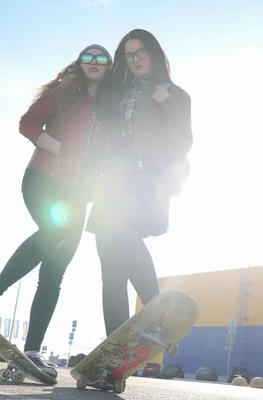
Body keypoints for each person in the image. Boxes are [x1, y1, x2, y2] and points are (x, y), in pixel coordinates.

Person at [0, 44, 112, 378]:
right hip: (46, 177)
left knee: (55, 270)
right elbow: (28, 123)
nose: (93, 62)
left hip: (79, 193)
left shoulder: (110, 105)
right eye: (87, 57)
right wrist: (58, 149)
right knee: (53, 233)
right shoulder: (67, 89)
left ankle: (31, 351)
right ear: (79, 63)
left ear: (109, 67)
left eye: (101, 58)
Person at [86, 29, 193, 339]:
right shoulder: (120, 92)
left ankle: (158, 314)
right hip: (113, 179)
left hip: (142, 176)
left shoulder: (173, 92)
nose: (135, 60)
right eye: (129, 55)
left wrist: (166, 103)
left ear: (155, 53)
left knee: (123, 236)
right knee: (110, 263)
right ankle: (114, 345)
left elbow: (183, 141)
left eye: (141, 52)